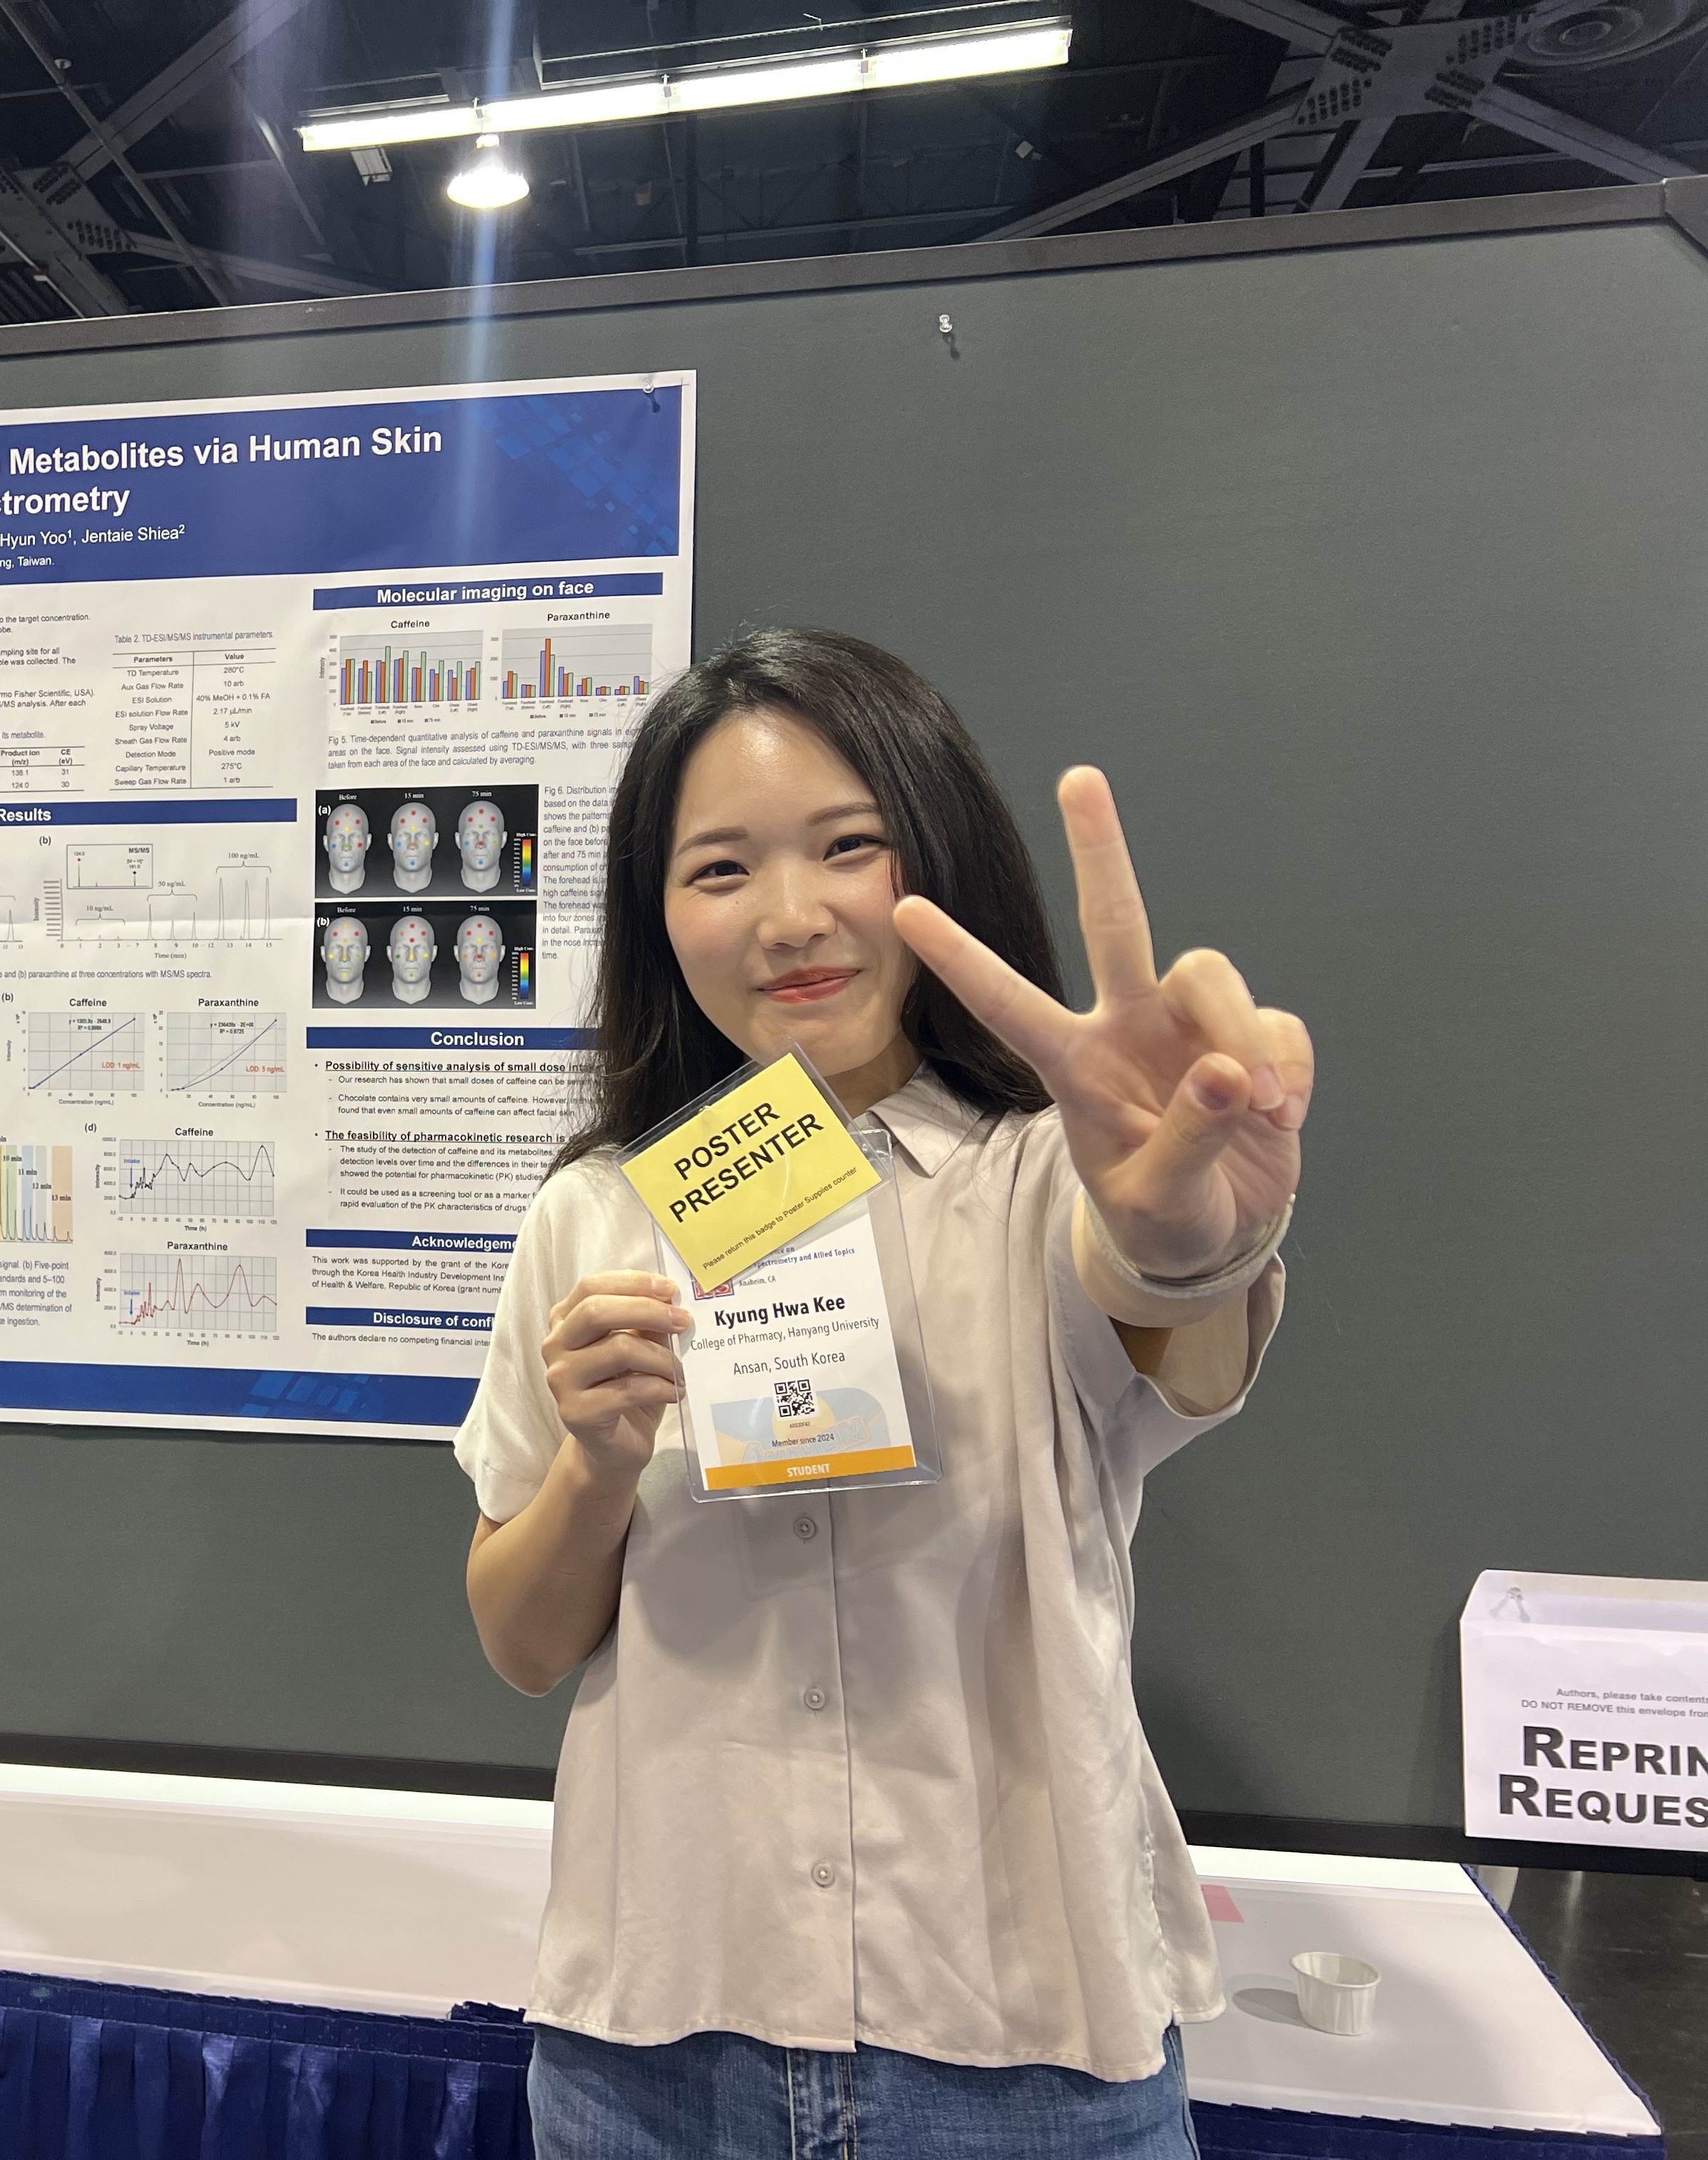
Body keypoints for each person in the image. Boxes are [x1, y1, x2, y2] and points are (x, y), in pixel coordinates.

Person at [456, 628, 1310, 2159]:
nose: (790, 916)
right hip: (653, 2052)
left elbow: (1171, 1311)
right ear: (657, 915)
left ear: (937, 856)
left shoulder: (1050, 1176)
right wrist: (595, 1462)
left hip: (1022, 2060)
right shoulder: (594, 1216)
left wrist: (1195, 1238)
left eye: (848, 846)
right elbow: (522, 1644)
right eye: (720, 869)